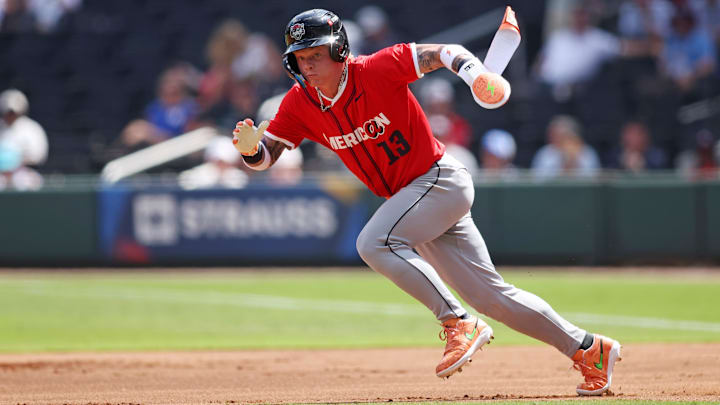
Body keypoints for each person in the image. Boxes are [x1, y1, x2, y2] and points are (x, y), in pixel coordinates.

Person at [231, 8, 621, 396]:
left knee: (374, 243)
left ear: (339, 50)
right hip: (414, 201)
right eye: (301, 57)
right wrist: (251, 152)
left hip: (439, 180)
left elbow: (446, 52)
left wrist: (475, 75)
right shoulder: (301, 102)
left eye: (316, 54)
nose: (308, 64)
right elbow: (269, 155)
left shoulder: (377, 68)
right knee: (494, 297)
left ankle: (457, 322)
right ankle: (589, 350)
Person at [531, 115, 601, 179]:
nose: (554, 138)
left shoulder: (587, 152)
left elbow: (593, 179)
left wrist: (573, 159)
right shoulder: (545, 152)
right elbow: (539, 181)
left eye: (561, 136)